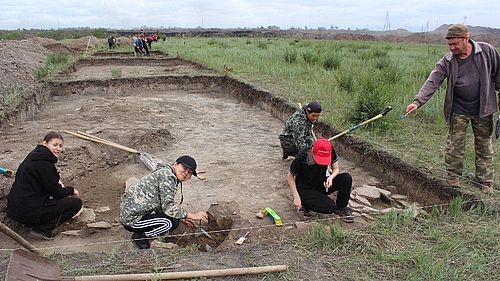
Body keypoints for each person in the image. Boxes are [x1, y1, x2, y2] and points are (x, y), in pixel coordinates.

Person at [405, 23, 500, 194]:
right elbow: (432, 81)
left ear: (466, 38)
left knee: (484, 146)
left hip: (483, 109)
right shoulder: (447, 61)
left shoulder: (487, 52)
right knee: (455, 147)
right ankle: (453, 179)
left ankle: (485, 183)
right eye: (449, 44)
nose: (452, 48)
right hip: (458, 109)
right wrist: (418, 102)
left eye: (455, 44)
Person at [120, 155, 208, 249]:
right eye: (184, 168)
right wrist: (191, 215)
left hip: (136, 213)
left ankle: (143, 233)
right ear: (175, 164)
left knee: (173, 220)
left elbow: (162, 204)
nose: (186, 173)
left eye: (190, 172)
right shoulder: (167, 176)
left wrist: (182, 218)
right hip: (132, 219)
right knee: (169, 223)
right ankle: (141, 236)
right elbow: (168, 207)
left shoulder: (166, 172)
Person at [7, 132, 82, 240]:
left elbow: (46, 180)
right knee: (75, 203)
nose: (58, 148)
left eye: (60, 146)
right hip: (27, 212)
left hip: (16, 209)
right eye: (55, 145)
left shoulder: (35, 156)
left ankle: (30, 224)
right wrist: (71, 190)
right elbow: (57, 193)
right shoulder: (44, 164)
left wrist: (56, 181)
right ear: (45, 143)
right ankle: (43, 229)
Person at [287, 138, 354, 223]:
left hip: (322, 183)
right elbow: (290, 176)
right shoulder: (302, 156)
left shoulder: (329, 150)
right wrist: (296, 197)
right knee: (330, 207)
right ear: (312, 151)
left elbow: (336, 168)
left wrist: (331, 177)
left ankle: (341, 208)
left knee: (346, 178)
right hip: (306, 189)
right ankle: (305, 204)